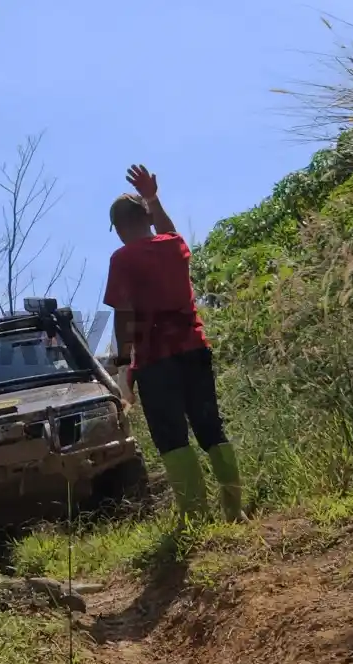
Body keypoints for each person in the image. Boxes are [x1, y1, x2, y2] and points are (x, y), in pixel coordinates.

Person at [102, 164, 243, 522]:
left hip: (155, 361)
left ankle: (196, 518)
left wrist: (122, 365)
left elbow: (124, 313)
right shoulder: (174, 244)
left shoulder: (122, 258)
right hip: (194, 348)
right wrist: (152, 197)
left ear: (118, 229)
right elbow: (167, 230)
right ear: (147, 218)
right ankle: (234, 511)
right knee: (211, 428)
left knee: (172, 438)